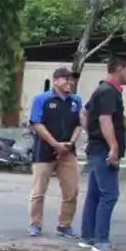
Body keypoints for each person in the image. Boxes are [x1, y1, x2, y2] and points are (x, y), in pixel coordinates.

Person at [80, 57, 126, 251]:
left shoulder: (100, 90)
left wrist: (90, 134)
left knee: (95, 194)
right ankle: (101, 241)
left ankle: (88, 237)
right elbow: (105, 120)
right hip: (102, 150)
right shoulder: (109, 92)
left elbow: (84, 113)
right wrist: (113, 147)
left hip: (96, 147)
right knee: (109, 194)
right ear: (119, 68)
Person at [27, 67, 83, 237]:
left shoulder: (76, 100)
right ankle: (35, 224)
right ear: (56, 80)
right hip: (44, 151)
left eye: (71, 80)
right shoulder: (42, 99)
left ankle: (64, 225)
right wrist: (55, 144)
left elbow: (79, 124)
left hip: (68, 152)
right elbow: (37, 123)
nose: (69, 83)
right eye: (66, 79)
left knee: (72, 190)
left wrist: (70, 143)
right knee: (38, 191)